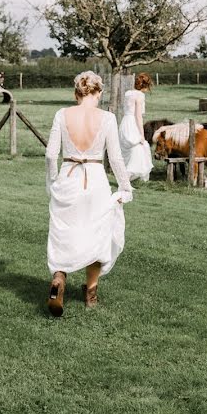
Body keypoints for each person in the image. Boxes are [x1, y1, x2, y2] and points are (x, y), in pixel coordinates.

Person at [44, 71, 133, 316]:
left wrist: (53, 181)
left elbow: (51, 154)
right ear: (99, 92)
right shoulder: (107, 118)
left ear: (77, 92)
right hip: (95, 180)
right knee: (97, 233)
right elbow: (115, 157)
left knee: (64, 230)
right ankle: (91, 293)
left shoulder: (62, 115)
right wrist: (125, 187)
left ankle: (59, 279)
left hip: (68, 176)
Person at [119, 73, 154, 182]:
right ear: (146, 85)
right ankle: (128, 177)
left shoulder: (128, 93)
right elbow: (138, 116)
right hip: (132, 123)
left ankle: (125, 175)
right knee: (139, 147)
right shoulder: (140, 96)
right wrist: (142, 135)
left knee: (129, 150)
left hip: (125, 122)